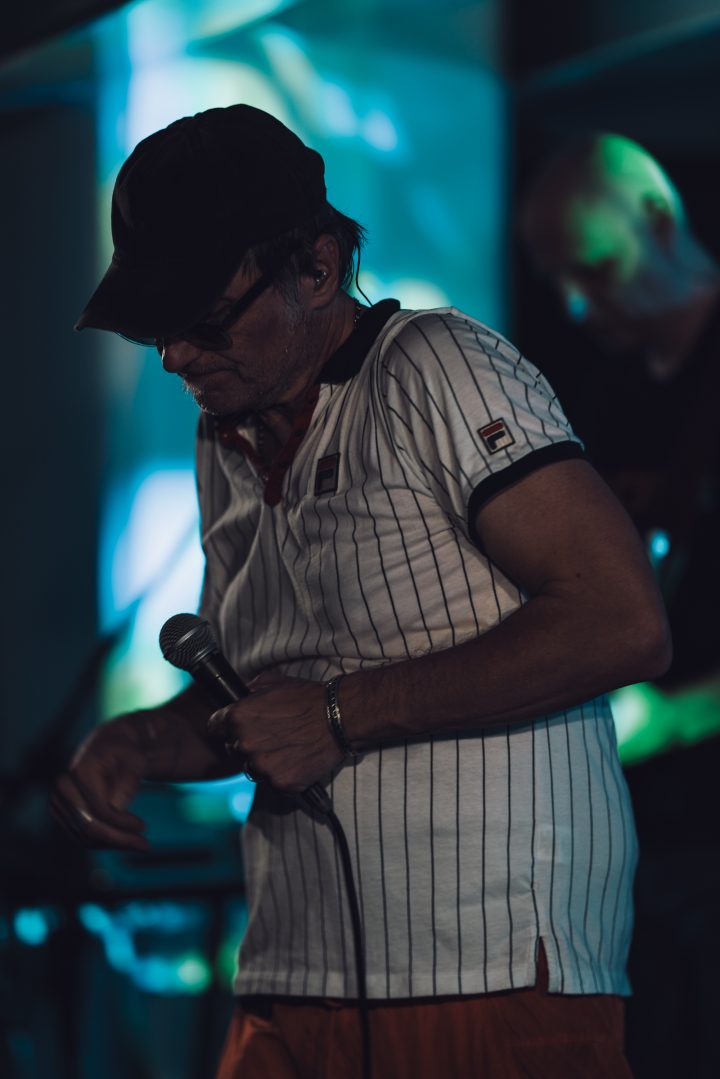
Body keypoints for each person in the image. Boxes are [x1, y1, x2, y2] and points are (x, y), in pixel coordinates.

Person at [52, 106, 670, 1078]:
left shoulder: (439, 365)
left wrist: (341, 713)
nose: (175, 358)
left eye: (205, 322)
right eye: (156, 332)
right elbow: (258, 702)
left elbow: (621, 620)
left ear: (317, 266)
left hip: (490, 970)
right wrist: (142, 742)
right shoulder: (222, 432)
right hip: (290, 971)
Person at [520, 132, 720, 690]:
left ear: (658, 220)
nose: (574, 305)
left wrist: (675, 714)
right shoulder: (602, 389)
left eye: (596, 268)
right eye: (557, 280)